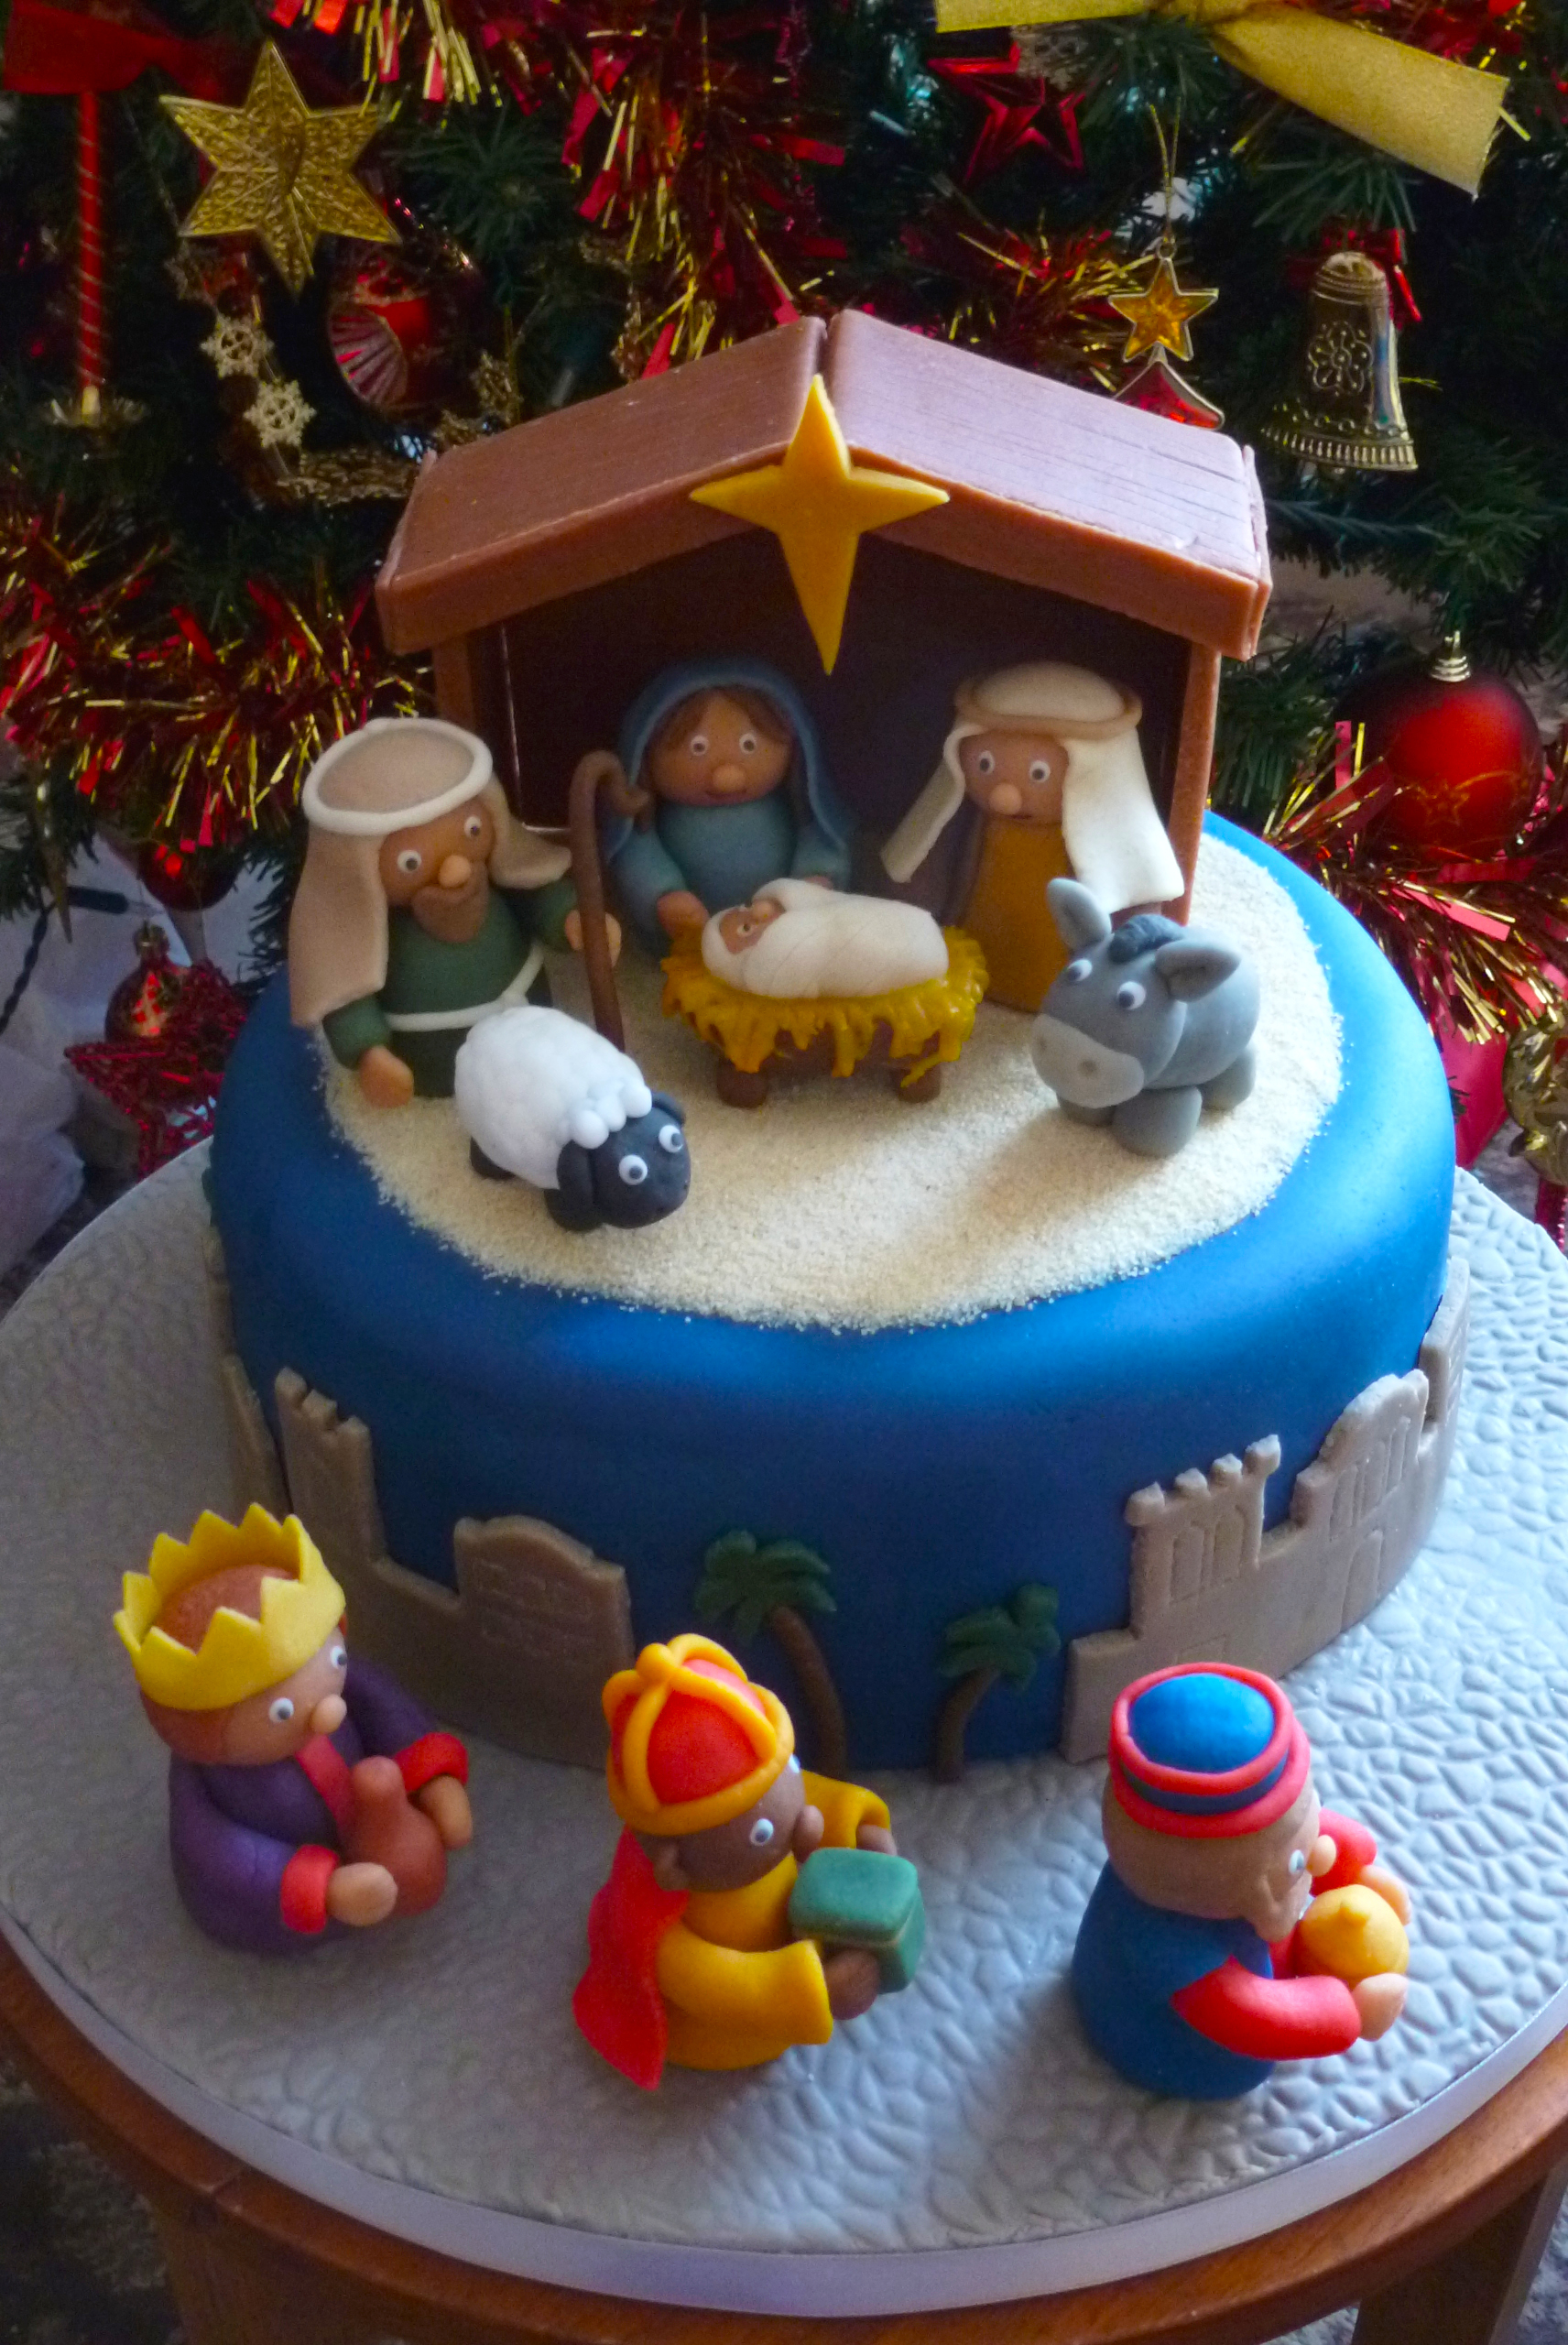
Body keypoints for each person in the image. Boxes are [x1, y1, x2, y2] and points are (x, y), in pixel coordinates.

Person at [115, 1505, 472, 1954]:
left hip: (374, 1830)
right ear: (202, 1734)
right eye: (281, 1712)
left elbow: (389, 1711)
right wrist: (322, 1889)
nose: (328, 1713)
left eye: (336, 1660)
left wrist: (435, 1780)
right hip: (276, 1900)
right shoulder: (205, 1776)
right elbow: (217, 1850)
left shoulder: (341, 1685)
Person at [1071, 1663, 1410, 2098]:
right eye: (1294, 1859)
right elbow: (1247, 2016)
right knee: (1232, 2062)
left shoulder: (1253, 1864)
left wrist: (1349, 1866)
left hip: (1258, 1942)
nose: (1312, 1855)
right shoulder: (1161, 1942)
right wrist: (1351, 2012)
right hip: (1181, 2047)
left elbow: (1296, 1832)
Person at [573, 1634, 897, 2086]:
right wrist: (820, 1989)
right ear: (674, 1866)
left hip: (802, 1921)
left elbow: (792, 1797)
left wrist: (855, 1829)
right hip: (723, 2033)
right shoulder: (662, 1931)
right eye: (760, 1832)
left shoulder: (781, 1810)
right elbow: (727, 1986)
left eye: (790, 1766)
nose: (804, 1821)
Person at [289, 715, 614, 1104]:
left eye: (472, 831)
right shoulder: (369, 934)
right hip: (437, 1059)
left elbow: (532, 895)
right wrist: (368, 1051)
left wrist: (572, 919)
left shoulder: (492, 881)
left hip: (532, 1022)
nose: (455, 870)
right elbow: (348, 992)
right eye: (411, 862)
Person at [880, 662, 1183, 1011]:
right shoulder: (973, 821)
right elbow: (929, 866)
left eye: (1038, 774)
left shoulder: (1096, 840)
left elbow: (1133, 904)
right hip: (965, 961)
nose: (1004, 798)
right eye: (985, 765)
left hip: (1058, 981)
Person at [601, 660, 852, 953]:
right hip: (698, 943)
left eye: (748, 745)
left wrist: (812, 882)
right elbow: (641, 855)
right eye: (698, 748)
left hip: (782, 935)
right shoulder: (654, 817)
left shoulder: (796, 805)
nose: (727, 777)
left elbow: (818, 839)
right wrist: (664, 895)